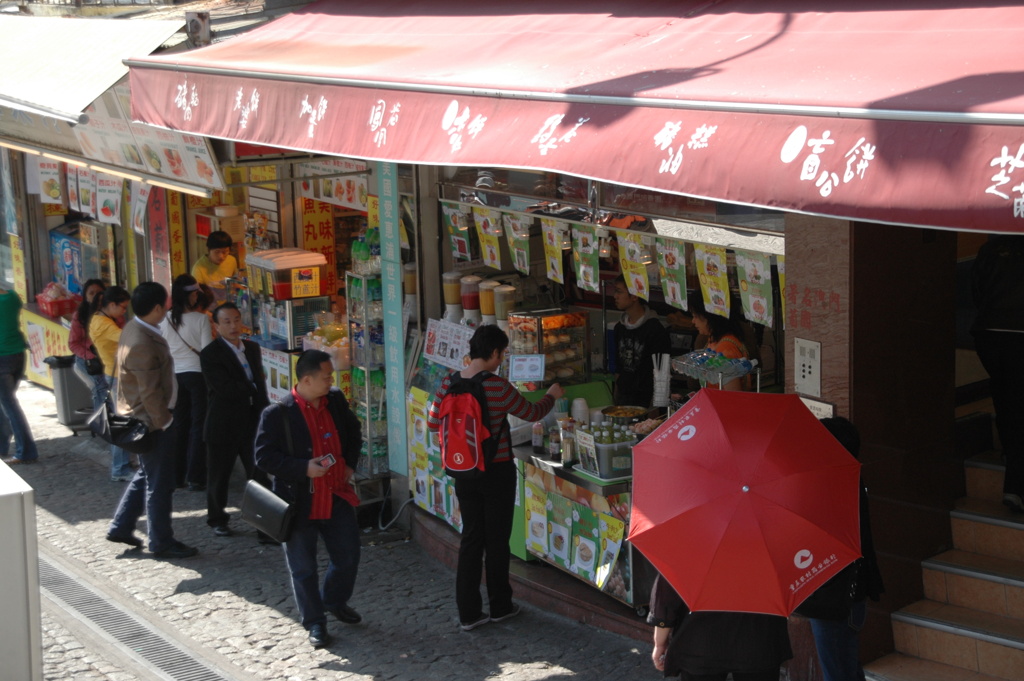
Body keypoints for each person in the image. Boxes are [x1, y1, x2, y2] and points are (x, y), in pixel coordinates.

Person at [427, 325, 564, 631]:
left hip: (464, 471)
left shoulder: (448, 381)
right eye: (501, 354)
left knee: (472, 537)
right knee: (497, 540)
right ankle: (501, 605)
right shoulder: (497, 386)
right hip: (497, 470)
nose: (501, 359)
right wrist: (552, 395)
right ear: (492, 353)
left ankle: (469, 613)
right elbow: (531, 412)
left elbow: (433, 420)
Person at [254, 350, 363, 649]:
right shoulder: (277, 413)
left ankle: (334, 600)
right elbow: (263, 457)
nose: (332, 381)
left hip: (336, 495)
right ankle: (315, 622)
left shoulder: (335, 401)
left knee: (348, 557)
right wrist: (303, 468)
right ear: (306, 379)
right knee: (303, 568)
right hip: (299, 502)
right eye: (326, 377)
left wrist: (350, 463)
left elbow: (354, 432)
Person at [107, 282, 198, 559]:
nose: (168, 309)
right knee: (160, 483)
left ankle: (121, 526)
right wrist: (165, 422)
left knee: (147, 474)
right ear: (158, 308)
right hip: (151, 422)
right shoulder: (141, 341)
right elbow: (149, 392)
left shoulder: (137, 329)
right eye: (166, 305)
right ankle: (161, 541)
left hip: (146, 418)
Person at [796, 416, 884, 681]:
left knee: (839, 671)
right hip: (843, 596)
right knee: (845, 667)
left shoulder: (833, 487)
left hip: (836, 597)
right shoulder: (846, 479)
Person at [200, 302, 269, 538]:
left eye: (236, 320)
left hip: (251, 421)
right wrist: (250, 387)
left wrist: (263, 410)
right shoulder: (211, 354)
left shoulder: (251, 348)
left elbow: (260, 384)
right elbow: (225, 388)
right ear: (217, 326)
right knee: (219, 474)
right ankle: (217, 518)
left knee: (258, 472)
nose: (233, 326)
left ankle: (265, 524)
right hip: (224, 423)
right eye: (227, 322)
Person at [648, 574, 792, 680]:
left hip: (702, 642)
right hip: (759, 639)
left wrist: (660, 643)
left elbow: (666, 597)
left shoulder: (688, 539)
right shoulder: (773, 539)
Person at [970, 235, 1024, 512]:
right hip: (1018, 334)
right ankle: (1015, 485)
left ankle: (1009, 451)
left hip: (989, 333)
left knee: (1005, 396)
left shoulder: (990, 247)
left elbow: (976, 289)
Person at [161, 274, 213, 492]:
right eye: (195, 293)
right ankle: (196, 476)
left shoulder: (165, 319)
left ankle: (176, 475)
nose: (196, 297)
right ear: (191, 295)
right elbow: (208, 352)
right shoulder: (201, 320)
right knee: (198, 425)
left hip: (175, 376)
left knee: (180, 424)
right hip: (198, 376)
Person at [89, 285, 135, 480]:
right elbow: (129, 339)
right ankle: (121, 468)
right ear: (112, 304)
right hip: (117, 376)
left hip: (113, 373)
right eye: (123, 307)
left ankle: (123, 464)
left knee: (121, 421)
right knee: (122, 422)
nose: (124, 311)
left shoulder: (99, 319)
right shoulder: (105, 325)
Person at [610, 274, 671, 406]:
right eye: (615, 291)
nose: (615, 296)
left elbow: (662, 372)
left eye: (619, 291)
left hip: (646, 401)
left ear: (634, 296)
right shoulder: (619, 328)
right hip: (624, 400)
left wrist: (656, 407)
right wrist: (616, 396)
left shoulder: (655, 330)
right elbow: (619, 367)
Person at [0, 285, 38, 465]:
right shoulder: (13, 297)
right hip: (17, 356)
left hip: (2, 358)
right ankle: (2, 444)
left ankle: (26, 451)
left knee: (9, 404)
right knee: (6, 402)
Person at [691, 302, 751, 391]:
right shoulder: (713, 341)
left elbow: (732, 396)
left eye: (696, 316)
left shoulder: (726, 349)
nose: (693, 321)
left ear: (710, 318)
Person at [69, 278, 107, 410]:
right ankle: (101, 426)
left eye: (99, 292)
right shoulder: (80, 316)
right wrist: (91, 356)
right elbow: (73, 344)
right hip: (89, 362)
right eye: (91, 293)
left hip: (109, 360)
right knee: (100, 388)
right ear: (85, 297)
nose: (96, 296)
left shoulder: (113, 312)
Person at [191, 230, 238, 306]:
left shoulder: (232, 260)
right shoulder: (198, 269)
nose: (221, 256)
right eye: (217, 252)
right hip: (210, 308)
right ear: (209, 250)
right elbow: (197, 298)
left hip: (229, 305)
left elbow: (235, 282)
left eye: (225, 252)